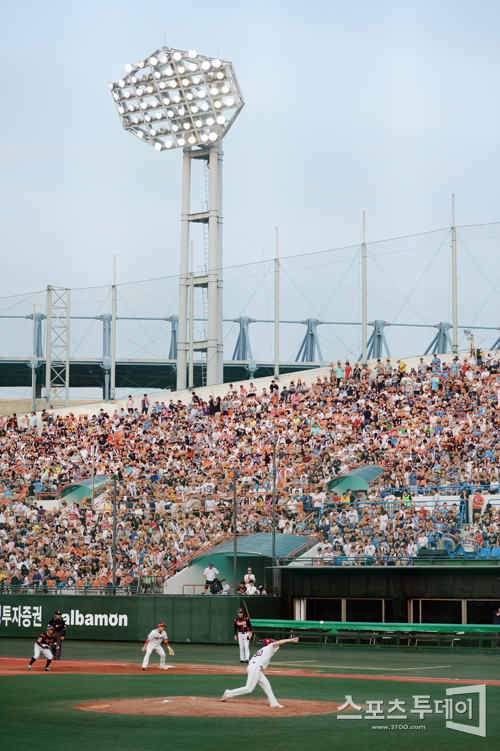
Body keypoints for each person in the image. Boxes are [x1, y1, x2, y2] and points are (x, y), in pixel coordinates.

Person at [222, 637, 299, 707]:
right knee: (249, 688)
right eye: (271, 642)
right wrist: (291, 640)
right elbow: (279, 642)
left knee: (266, 684)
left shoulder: (263, 649)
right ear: (268, 643)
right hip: (255, 667)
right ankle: (228, 693)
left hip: (255, 668)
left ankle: (274, 703)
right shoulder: (269, 647)